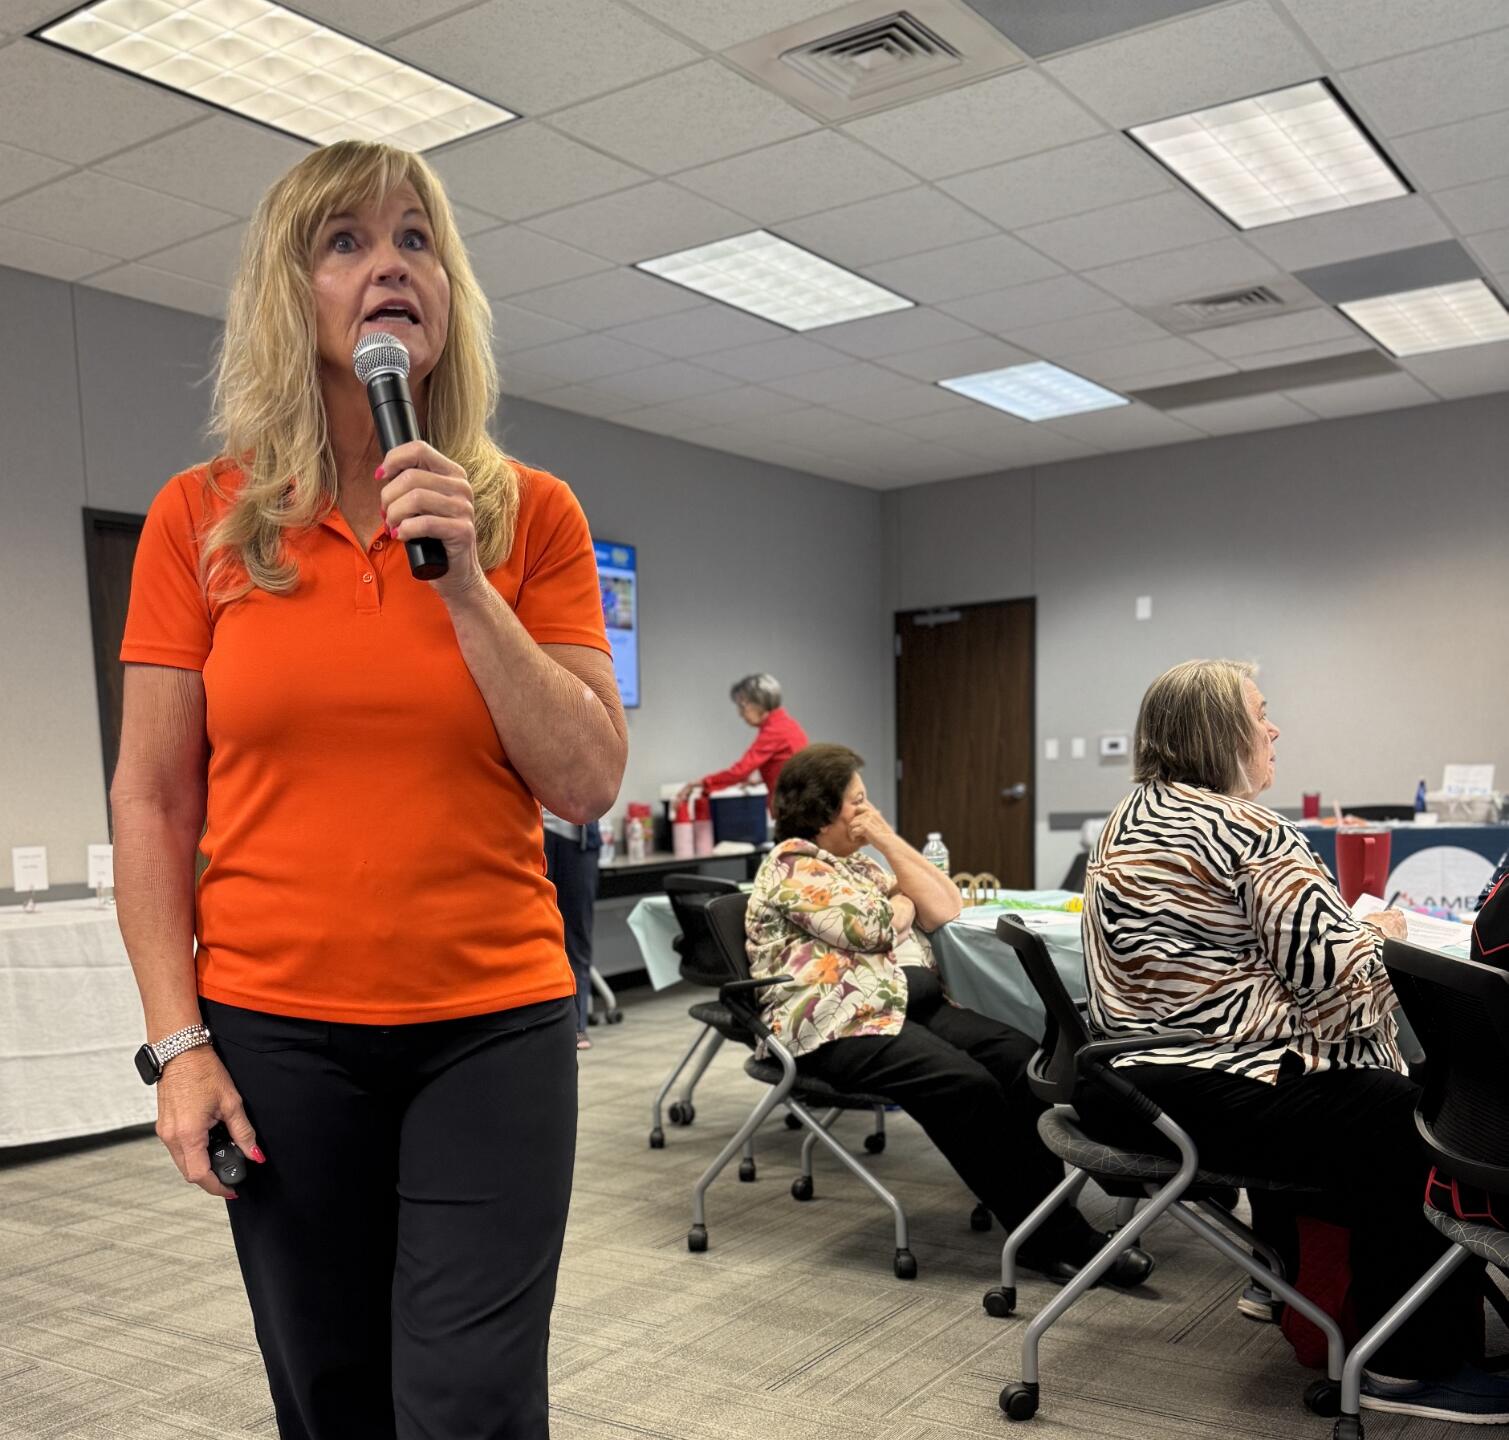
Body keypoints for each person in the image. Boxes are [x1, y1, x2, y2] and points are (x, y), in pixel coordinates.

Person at [110, 140, 627, 1440]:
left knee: (469, 1404)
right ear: (290, 293)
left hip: (492, 1025)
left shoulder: (531, 515)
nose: (390, 264)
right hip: (276, 1032)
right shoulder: (200, 519)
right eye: (345, 241)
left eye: (416, 239)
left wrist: (465, 584)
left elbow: (585, 780)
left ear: (448, 291)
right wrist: (178, 1046)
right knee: (330, 1396)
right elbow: (153, 801)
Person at [1077, 659, 1509, 1425]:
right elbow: (1338, 994)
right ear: (1217, 732)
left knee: (1352, 1098)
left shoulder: (1128, 815)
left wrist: (1346, 938)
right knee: (1416, 1118)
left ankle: (1279, 1281)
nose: (1273, 729)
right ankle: (1409, 1366)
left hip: (1130, 1080)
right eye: (1259, 713)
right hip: (1212, 1081)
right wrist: (1378, 937)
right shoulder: (1249, 830)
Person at [744, 743, 1154, 1287]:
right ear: (822, 813)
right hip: (841, 1024)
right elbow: (872, 928)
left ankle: (1045, 1217)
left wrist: (888, 841)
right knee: (966, 1086)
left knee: (1020, 1061)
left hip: (906, 1006)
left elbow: (945, 904)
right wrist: (900, 904)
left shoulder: (857, 863)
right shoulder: (793, 865)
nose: (870, 812)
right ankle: (1052, 1240)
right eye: (859, 802)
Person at [677, 673, 807, 811]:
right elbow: (790, 767)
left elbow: (739, 772)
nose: (740, 714)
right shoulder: (788, 725)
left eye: (742, 706)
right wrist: (760, 780)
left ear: (759, 702)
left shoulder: (775, 730)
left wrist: (700, 783)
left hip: (794, 810)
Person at [542, 810, 602, 1049]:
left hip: (580, 837)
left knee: (578, 934)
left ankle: (577, 1025)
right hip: (536, 833)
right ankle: (541, 1025)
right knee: (540, 929)